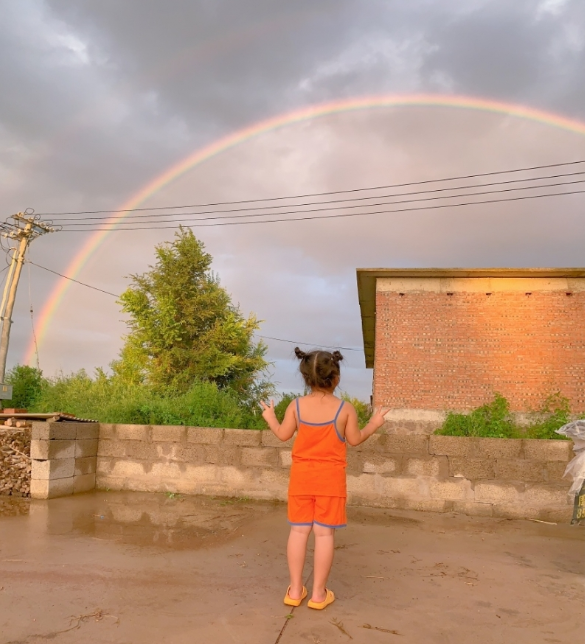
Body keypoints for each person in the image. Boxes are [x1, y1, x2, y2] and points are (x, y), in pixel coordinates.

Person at [260, 347, 389, 610]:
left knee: (298, 531)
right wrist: (374, 423)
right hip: (330, 482)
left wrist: (270, 417)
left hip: (301, 480)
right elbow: (355, 439)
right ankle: (318, 595)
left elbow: (283, 434)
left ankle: (295, 591)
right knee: (324, 535)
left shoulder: (296, 407)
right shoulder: (345, 410)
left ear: (306, 378)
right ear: (336, 378)